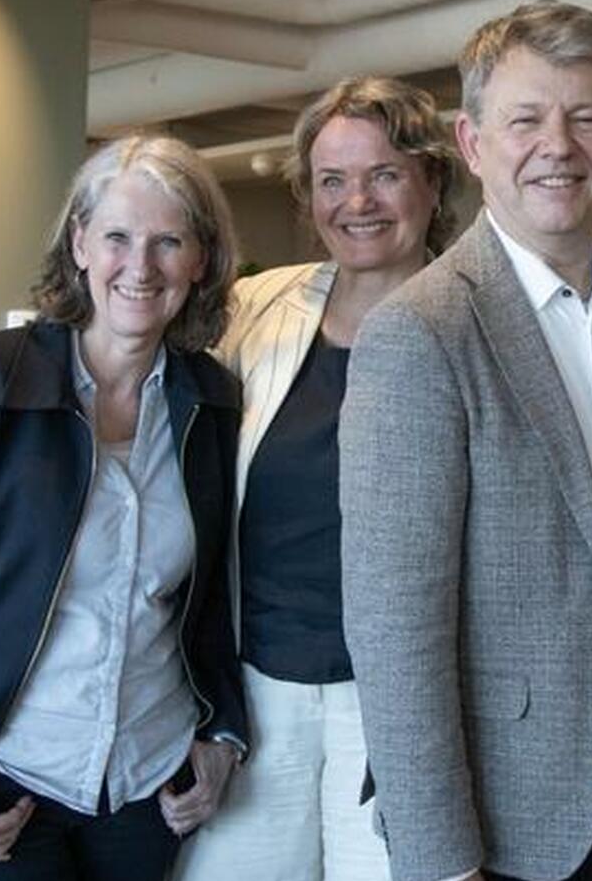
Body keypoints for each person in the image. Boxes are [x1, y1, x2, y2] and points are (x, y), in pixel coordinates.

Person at [340, 0, 592, 881]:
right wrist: (440, 861)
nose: (559, 145)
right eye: (525, 120)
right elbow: (395, 635)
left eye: (584, 118)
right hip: (509, 819)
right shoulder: (422, 332)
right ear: (472, 144)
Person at [0, 135, 246, 881]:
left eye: (170, 241)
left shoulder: (211, 400)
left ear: (201, 260)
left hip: (144, 790)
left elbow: (214, 596)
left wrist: (222, 731)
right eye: (118, 237)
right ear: (79, 245)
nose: (142, 265)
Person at [172, 75, 458, 881]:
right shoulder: (254, 307)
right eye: (332, 180)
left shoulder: (471, 325)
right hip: (260, 691)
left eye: (384, 174)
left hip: (395, 703)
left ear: (432, 181)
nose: (356, 201)